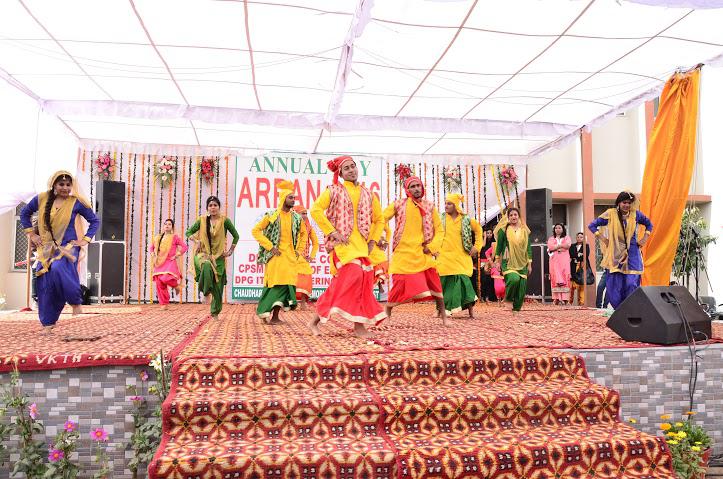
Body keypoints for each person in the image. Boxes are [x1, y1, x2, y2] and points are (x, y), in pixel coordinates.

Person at [308, 155, 386, 338]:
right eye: (347, 168)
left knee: (363, 282)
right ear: (341, 174)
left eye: (353, 166)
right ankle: (354, 326)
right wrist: (332, 232)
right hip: (343, 246)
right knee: (354, 276)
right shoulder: (334, 190)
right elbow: (315, 210)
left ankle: (355, 326)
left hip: (362, 246)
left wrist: (373, 240)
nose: (351, 170)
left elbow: (379, 219)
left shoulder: (368, 193)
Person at [20, 170, 99, 332]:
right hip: (46, 249)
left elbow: (94, 220)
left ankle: (75, 301)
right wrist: (32, 234)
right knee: (46, 284)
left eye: (68, 184)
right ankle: (48, 322)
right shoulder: (41, 198)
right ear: (54, 184)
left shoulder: (76, 202)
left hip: (68, 248)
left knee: (58, 268)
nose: (65, 187)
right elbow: (24, 213)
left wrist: (85, 240)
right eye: (61, 184)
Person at [383, 175, 445, 324]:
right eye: (412, 186)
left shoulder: (429, 206)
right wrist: (381, 236)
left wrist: (432, 247)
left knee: (435, 283)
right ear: (407, 190)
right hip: (402, 253)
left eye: (418, 186)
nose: (416, 189)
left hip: (422, 252)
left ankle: (444, 316)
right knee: (399, 284)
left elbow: (439, 230)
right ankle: (387, 312)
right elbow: (381, 218)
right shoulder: (399, 204)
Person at [588, 191, 652, 308]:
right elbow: (592, 225)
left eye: (629, 203)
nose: (627, 205)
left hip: (632, 253)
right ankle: (619, 310)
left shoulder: (636, 214)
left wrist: (644, 238)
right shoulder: (610, 214)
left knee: (631, 283)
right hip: (616, 253)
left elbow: (649, 224)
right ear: (618, 203)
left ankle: (630, 308)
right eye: (624, 202)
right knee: (615, 285)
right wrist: (604, 239)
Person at [252, 181, 302, 323]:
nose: (293, 200)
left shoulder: (296, 217)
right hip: (276, 257)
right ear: (283, 198)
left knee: (286, 286)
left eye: (294, 197)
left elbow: (303, 234)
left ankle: (274, 317)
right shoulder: (272, 215)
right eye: (290, 197)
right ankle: (264, 312)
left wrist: (298, 250)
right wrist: (270, 247)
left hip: (290, 258)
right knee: (274, 285)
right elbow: (256, 231)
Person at [186, 196, 239, 318]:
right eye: (210, 205)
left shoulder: (225, 221)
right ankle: (206, 292)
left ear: (219, 207)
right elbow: (188, 232)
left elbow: (236, 236)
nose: (213, 207)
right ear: (207, 208)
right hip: (203, 254)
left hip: (219, 257)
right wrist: (196, 241)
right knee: (206, 265)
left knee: (218, 288)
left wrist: (230, 251)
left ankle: (215, 312)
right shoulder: (202, 220)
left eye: (215, 205)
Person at [437, 193, 482, 317]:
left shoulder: (465, 219)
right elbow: (432, 233)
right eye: (445, 203)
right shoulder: (440, 219)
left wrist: (477, 247)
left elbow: (478, 229)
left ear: (456, 205)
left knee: (464, 282)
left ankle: (470, 310)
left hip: (461, 257)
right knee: (445, 284)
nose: (446, 206)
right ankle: (440, 310)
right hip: (444, 257)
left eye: (449, 203)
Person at [494, 207, 532, 312]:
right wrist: (497, 261)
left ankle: (516, 310)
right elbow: (499, 246)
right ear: (508, 217)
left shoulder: (524, 230)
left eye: (515, 214)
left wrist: (529, 264)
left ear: (518, 216)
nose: (513, 217)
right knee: (513, 279)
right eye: (511, 215)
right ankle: (508, 298)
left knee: (521, 288)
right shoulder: (503, 230)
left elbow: (528, 247)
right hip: (508, 261)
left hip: (523, 262)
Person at [150, 219, 188, 309]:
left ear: (172, 227)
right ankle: (164, 304)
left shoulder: (175, 237)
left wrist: (177, 254)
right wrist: (152, 254)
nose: (167, 225)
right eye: (165, 224)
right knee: (159, 283)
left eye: (169, 224)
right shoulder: (158, 237)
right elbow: (151, 247)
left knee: (166, 278)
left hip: (170, 261)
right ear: (163, 226)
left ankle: (176, 286)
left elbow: (185, 247)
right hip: (159, 262)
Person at [293, 205, 318, 310]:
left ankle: (303, 303)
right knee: (290, 281)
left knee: (305, 280)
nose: (305, 215)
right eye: (302, 213)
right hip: (291, 258)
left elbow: (315, 243)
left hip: (303, 258)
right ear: (296, 214)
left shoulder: (309, 227)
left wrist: (312, 256)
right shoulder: (290, 225)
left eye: (306, 213)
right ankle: (290, 303)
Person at [547, 223, 572, 305]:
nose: (557, 229)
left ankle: (565, 299)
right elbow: (550, 247)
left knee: (565, 276)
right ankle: (556, 298)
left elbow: (568, 245)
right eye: (556, 228)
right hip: (554, 260)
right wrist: (561, 247)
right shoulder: (551, 238)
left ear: (563, 229)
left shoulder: (567, 237)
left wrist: (557, 246)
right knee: (555, 277)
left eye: (559, 228)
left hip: (564, 260)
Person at [569, 232, 591, 306]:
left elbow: (586, 255)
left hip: (582, 266)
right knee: (571, 286)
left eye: (581, 237)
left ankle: (581, 303)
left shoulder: (586, 246)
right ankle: (569, 302)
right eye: (578, 237)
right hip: (573, 266)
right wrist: (579, 254)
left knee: (581, 285)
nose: (579, 238)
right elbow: (571, 254)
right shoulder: (572, 246)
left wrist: (578, 256)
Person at [369, 224, 391, 293]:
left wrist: (386, 242)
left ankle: (379, 283)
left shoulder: (380, 220)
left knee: (381, 265)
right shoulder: (364, 219)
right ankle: (375, 286)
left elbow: (388, 231)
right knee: (370, 269)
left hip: (378, 248)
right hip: (368, 247)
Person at [479, 229, 497, 303]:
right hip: (483, 262)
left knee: (489, 280)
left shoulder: (493, 243)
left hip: (490, 262)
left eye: (490, 233)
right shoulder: (482, 241)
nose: (489, 234)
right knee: (483, 280)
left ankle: (487, 297)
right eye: (487, 233)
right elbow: (482, 247)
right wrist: (485, 237)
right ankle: (482, 297)